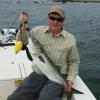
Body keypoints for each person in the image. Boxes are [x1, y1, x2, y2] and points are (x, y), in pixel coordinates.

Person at [7, 5, 80, 100]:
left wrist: (70, 79)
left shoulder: (70, 39)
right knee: (15, 97)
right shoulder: (37, 31)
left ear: (63, 20)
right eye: (52, 18)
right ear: (48, 18)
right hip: (37, 74)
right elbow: (23, 41)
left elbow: (74, 61)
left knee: (46, 98)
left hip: (58, 76)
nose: (55, 21)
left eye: (59, 19)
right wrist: (23, 25)